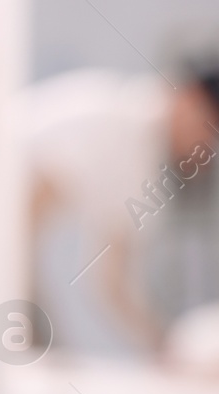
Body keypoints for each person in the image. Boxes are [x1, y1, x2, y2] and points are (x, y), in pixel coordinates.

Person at [23, 55, 219, 358]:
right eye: (209, 131)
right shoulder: (123, 130)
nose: (206, 149)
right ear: (190, 101)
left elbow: (112, 283)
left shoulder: (140, 150)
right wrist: (39, 336)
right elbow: (21, 215)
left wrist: (164, 349)